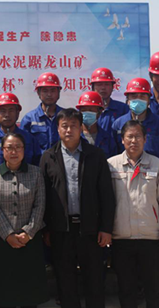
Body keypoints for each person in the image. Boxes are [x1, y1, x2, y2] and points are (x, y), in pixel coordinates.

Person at [40, 108, 115, 308]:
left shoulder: (96, 155)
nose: (69, 130)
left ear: (81, 128)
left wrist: (106, 228)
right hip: (61, 230)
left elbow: (106, 194)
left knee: (95, 280)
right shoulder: (48, 157)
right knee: (65, 281)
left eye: (73, 126)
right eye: (64, 126)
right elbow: (43, 197)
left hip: (91, 229)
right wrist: (46, 229)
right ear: (57, 129)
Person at [108, 120, 159, 308]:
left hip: (150, 236)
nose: (133, 140)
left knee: (154, 288)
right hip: (121, 236)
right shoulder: (111, 165)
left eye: (138, 136)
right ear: (122, 140)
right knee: (126, 289)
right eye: (129, 136)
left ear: (145, 139)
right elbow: (105, 202)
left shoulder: (156, 164)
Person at [0, 132, 49, 308]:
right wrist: (8, 234)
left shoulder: (36, 173)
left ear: (24, 150)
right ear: (2, 151)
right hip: (1, 240)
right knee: (5, 292)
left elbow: (40, 205)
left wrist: (28, 232)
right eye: (9, 148)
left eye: (18, 147)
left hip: (30, 241)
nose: (14, 152)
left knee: (29, 292)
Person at [112, 78, 159, 180]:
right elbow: (113, 153)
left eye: (142, 96)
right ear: (127, 99)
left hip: (152, 177)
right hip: (123, 177)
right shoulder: (118, 124)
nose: (138, 99)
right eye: (134, 96)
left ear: (149, 100)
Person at [0, 93, 39, 179]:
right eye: (3, 111)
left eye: (11, 110)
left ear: (17, 113)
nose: (7, 115)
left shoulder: (30, 140)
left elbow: (37, 168)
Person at [20, 72, 63, 156]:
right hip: (37, 163)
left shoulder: (66, 117)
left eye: (53, 90)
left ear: (58, 92)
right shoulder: (29, 119)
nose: (49, 94)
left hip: (62, 163)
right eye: (45, 91)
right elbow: (22, 147)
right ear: (38, 93)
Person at [76, 91, 117, 158]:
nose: (87, 113)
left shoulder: (107, 138)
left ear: (99, 113)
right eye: (84, 110)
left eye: (91, 110)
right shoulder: (74, 136)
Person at [90, 68, 128, 132]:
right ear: (93, 87)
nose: (103, 88)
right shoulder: (85, 110)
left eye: (107, 84)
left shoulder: (123, 109)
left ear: (112, 87)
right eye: (99, 84)